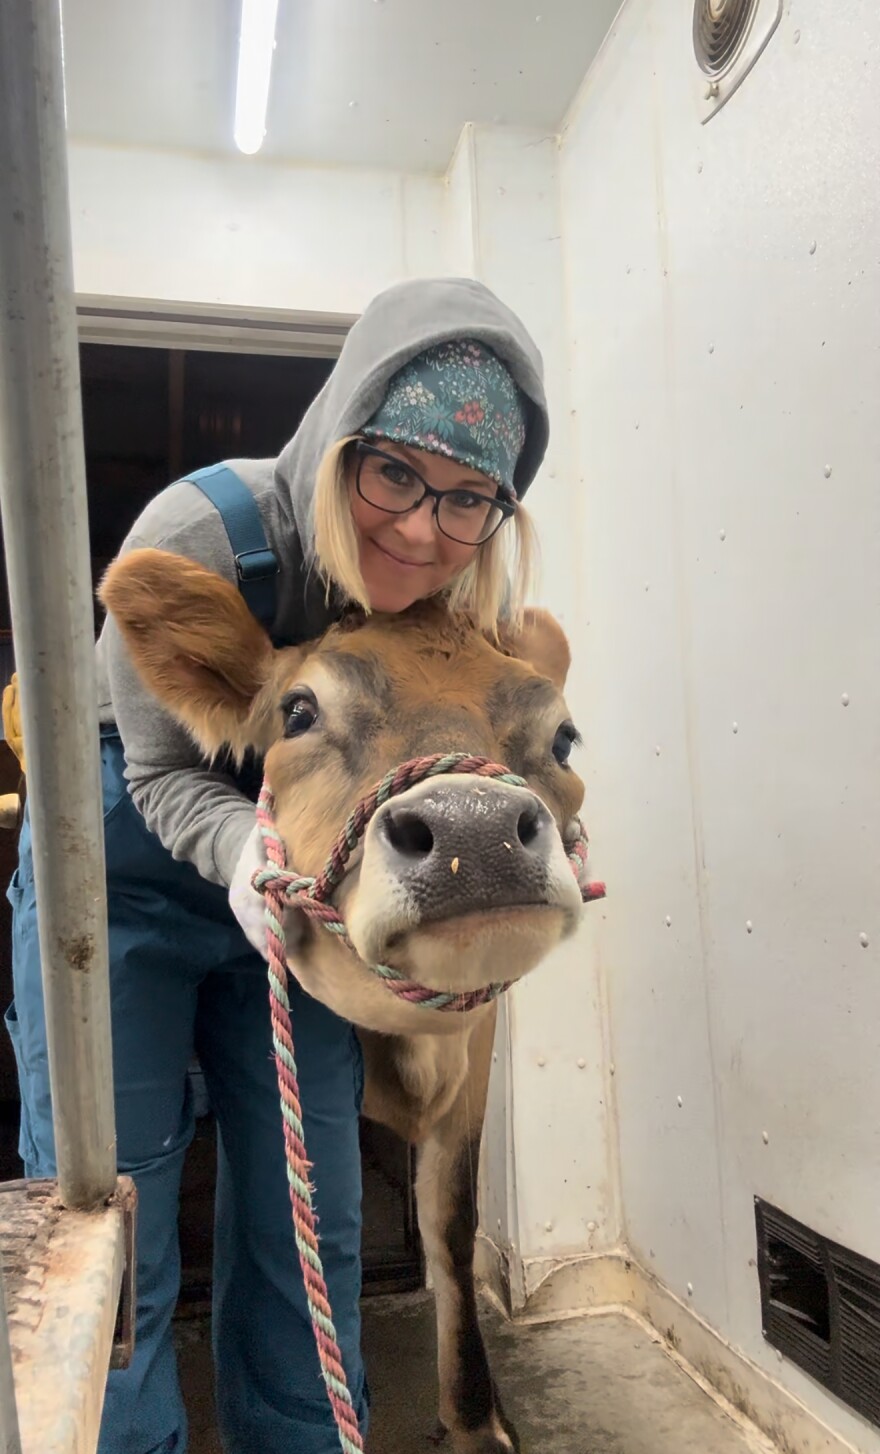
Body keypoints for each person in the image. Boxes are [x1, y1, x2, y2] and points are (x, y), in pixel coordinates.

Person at [4, 277, 549, 1454]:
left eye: (467, 500)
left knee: (312, 1212)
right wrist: (246, 857)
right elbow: (156, 779)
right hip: (126, 874)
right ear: (345, 431)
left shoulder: (451, 601)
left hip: (307, 887)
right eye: (395, 471)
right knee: (118, 1215)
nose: (419, 527)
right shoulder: (202, 533)